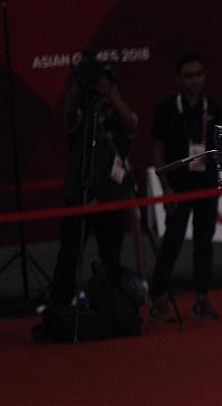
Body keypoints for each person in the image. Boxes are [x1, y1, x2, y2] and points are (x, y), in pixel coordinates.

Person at [49, 53, 138, 307]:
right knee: (69, 255)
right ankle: (60, 306)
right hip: (80, 192)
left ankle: (112, 303)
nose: (98, 84)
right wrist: (78, 83)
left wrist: (111, 95)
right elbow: (69, 118)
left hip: (112, 194)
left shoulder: (118, 112)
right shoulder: (81, 113)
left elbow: (131, 125)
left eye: (103, 79)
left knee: (111, 256)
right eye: (95, 80)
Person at [148, 53, 222, 322]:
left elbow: (221, 145)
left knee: (205, 242)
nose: (194, 80)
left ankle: (201, 299)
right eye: (188, 75)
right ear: (179, 79)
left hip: (206, 184)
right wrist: (165, 187)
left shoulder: (212, 106)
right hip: (178, 185)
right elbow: (157, 149)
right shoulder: (167, 108)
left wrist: (220, 164)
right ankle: (157, 298)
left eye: (199, 74)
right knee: (173, 241)